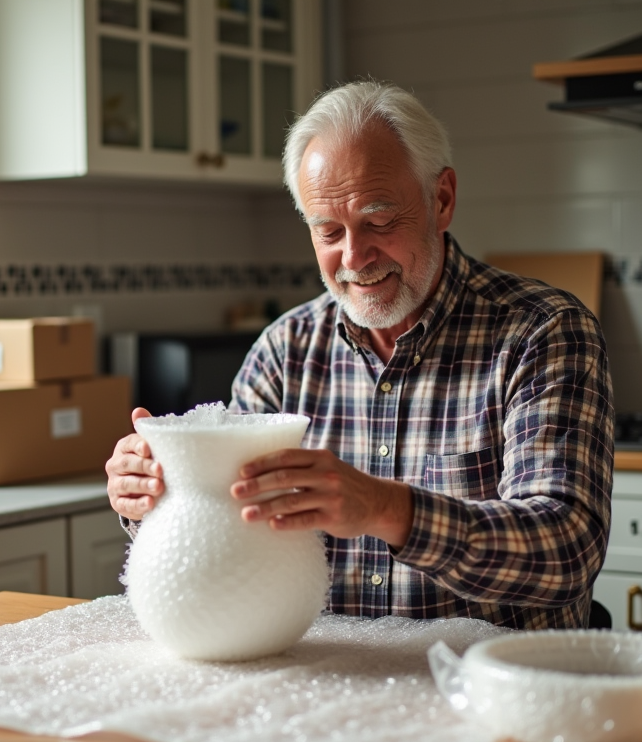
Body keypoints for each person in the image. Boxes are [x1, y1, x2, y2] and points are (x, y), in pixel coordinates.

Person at [105, 81, 614, 630]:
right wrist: (160, 493)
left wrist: (385, 509)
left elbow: (567, 551)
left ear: (440, 200)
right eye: (328, 231)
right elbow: (231, 528)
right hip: (329, 687)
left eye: (379, 221)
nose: (354, 256)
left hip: (492, 687)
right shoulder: (284, 350)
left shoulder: (542, 332)